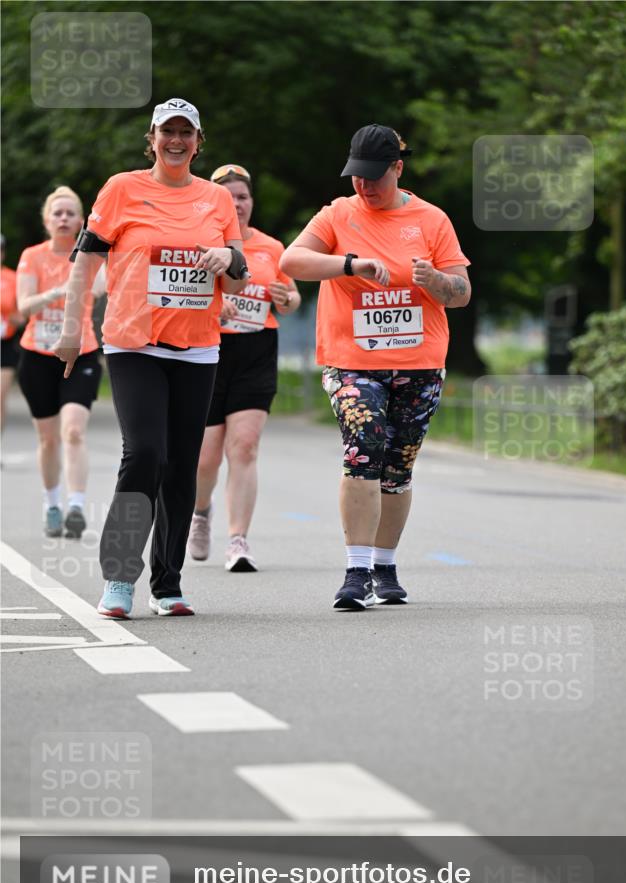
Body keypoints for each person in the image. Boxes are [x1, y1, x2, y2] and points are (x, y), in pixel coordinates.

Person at [52, 98, 247, 618]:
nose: (176, 141)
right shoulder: (122, 189)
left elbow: (239, 268)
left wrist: (229, 257)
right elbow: (85, 262)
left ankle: (168, 584)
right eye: (168, 132)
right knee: (144, 455)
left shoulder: (216, 199)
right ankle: (119, 577)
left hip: (199, 347)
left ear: (199, 141)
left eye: (187, 132)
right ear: (153, 137)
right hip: (133, 343)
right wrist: (73, 330)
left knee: (181, 468)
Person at [280, 124, 471, 610]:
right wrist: (349, 265)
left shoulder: (432, 220)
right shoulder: (338, 214)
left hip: (419, 362)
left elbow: (462, 293)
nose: (364, 187)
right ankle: (356, 570)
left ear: (397, 169)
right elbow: (292, 260)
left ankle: (384, 565)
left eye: (374, 178)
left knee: (397, 468)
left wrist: (436, 283)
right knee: (363, 450)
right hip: (352, 361)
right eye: (356, 177)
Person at [188, 164, 301, 570]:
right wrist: (217, 305)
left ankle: (238, 540)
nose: (237, 204)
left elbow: (292, 297)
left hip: (256, 351)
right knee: (204, 458)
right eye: (229, 197)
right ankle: (201, 513)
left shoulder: (272, 247)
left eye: (243, 197)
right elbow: (184, 296)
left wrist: (286, 301)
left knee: (245, 447)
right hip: (209, 351)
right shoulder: (201, 244)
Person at [15, 188, 104, 537]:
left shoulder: (89, 255)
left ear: (81, 221)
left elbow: (100, 285)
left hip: (81, 353)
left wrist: (82, 272)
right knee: (49, 439)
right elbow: (24, 306)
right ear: (47, 220)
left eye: (70, 213)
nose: (64, 218)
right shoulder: (32, 256)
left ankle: (77, 507)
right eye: (58, 213)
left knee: (74, 430)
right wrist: (57, 292)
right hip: (38, 355)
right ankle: (52, 503)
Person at [0, 234, 24, 432]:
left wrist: (11, 316)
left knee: (0, 397)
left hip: (5, 344)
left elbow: (23, 315)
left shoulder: (13, 278)